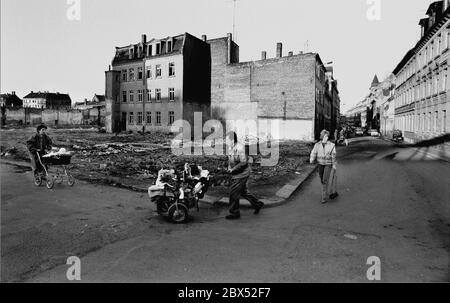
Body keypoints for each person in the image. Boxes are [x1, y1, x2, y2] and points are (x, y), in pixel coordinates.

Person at [225, 131, 264, 220]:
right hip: (236, 174)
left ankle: (234, 213)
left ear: (232, 140)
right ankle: (257, 204)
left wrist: (233, 169)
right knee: (243, 192)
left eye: (226, 139)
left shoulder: (240, 148)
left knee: (233, 194)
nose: (225, 141)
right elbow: (229, 159)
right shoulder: (230, 147)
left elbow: (243, 162)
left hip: (241, 174)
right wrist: (229, 167)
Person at [310, 129, 338, 204]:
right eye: (323, 135)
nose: (326, 137)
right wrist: (311, 159)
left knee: (325, 180)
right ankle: (328, 191)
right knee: (322, 180)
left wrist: (334, 165)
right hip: (320, 164)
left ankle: (323, 197)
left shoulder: (331, 145)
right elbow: (313, 152)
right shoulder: (317, 145)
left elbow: (334, 156)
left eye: (327, 136)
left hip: (328, 164)